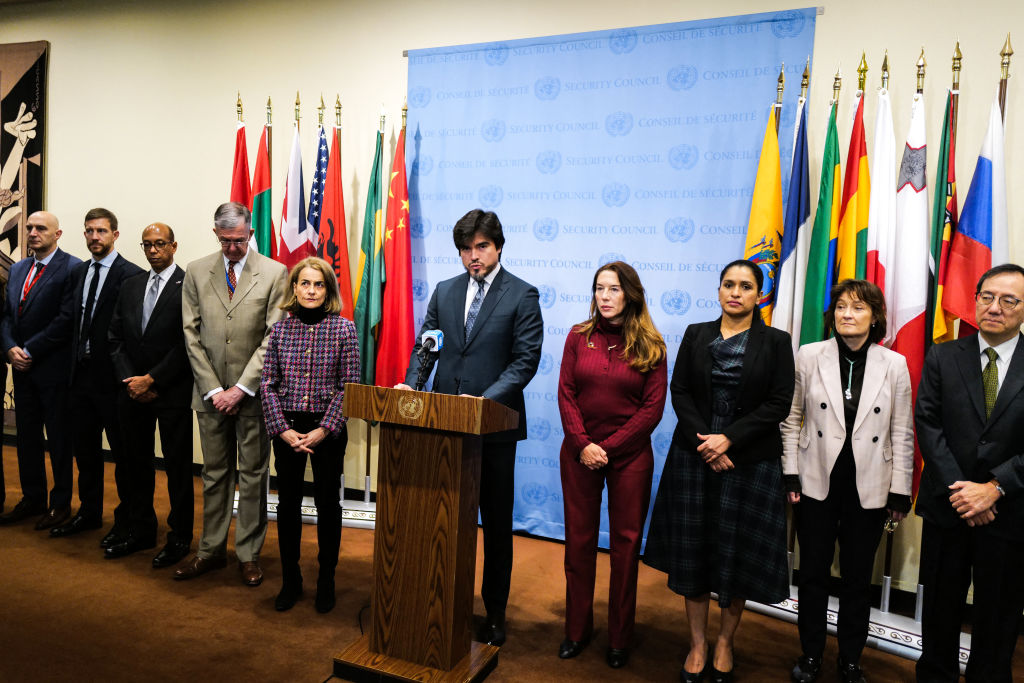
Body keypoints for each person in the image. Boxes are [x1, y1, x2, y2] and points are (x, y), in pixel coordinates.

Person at [396, 208, 543, 646]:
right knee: (443, 520)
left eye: (481, 247)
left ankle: (494, 613)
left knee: (496, 526)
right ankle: (443, 602)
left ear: (498, 246)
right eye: (465, 248)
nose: (473, 256)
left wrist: (483, 402)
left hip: (493, 428)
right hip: (444, 424)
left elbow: (524, 363)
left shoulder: (522, 295)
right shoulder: (444, 291)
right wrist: (411, 385)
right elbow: (427, 347)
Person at [644, 259, 795, 683]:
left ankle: (725, 641)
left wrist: (728, 440)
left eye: (745, 286)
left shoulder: (777, 342)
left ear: (758, 294)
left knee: (737, 555)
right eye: (728, 284)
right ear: (718, 290)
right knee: (695, 553)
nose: (735, 292)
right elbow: (681, 391)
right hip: (696, 456)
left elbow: (778, 403)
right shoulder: (697, 334)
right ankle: (697, 643)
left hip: (749, 461)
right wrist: (707, 443)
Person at [781, 279, 913, 683]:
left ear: (875, 317)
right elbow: (790, 419)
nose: (846, 315)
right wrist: (790, 471)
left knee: (858, 578)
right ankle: (811, 656)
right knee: (814, 573)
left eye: (857, 308)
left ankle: (851, 659)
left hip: (870, 485)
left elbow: (902, 432)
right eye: (840, 307)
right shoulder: (809, 355)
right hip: (816, 479)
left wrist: (901, 489)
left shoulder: (894, 364)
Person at [915, 263, 1024, 683]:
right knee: (940, 611)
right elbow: (928, 423)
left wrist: (994, 488)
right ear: (975, 299)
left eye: (1008, 300)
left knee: (999, 617)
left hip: (1010, 513)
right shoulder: (944, 355)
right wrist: (964, 492)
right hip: (950, 508)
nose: (994, 307)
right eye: (986, 297)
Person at [556, 261, 667, 669]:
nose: (604, 296)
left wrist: (609, 448)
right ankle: (576, 630)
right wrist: (584, 444)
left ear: (630, 295)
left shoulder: (651, 345)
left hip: (630, 457)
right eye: (599, 289)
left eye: (614, 290)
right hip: (579, 453)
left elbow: (652, 410)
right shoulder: (576, 337)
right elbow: (566, 393)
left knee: (625, 548)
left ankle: (620, 637)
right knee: (579, 544)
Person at [176, 201, 288, 586]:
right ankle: (209, 550)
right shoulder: (196, 271)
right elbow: (190, 334)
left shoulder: (275, 273)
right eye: (225, 241)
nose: (233, 249)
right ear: (215, 234)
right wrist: (213, 389)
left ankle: (248, 554)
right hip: (209, 397)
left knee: (254, 475)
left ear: (251, 233)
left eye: (239, 241)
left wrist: (240, 388)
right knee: (214, 473)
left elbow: (273, 337)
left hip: (253, 396)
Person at [261, 257, 359, 613]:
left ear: (328, 289)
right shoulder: (280, 330)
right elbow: (267, 384)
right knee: (287, 505)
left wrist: (323, 429)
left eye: (319, 284)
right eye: (305, 283)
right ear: (295, 287)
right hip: (286, 428)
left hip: (327, 430)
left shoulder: (344, 329)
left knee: (328, 505)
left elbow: (349, 387)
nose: (311, 290)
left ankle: (326, 581)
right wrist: (283, 430)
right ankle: (291, 580)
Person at [51, 208, 144, 543]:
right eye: (89, 231)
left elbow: (132, 334)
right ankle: (88, 513)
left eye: (101, 231)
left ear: (115, 235)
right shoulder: (79, 273)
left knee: (123, 457)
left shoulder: (132, 275)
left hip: (114, 382)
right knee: (86, 453)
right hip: (80, 379)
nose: (94, 237)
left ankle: (125, 520)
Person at [107, 223, 194, 565]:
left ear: (174, 246)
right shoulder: (131, 286)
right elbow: (114, 338)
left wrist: (152, 379)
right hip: (132, 392)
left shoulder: (189, 285)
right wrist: (132, 379)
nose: (153, 250)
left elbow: (187, 341)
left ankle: (179, 537)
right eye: (147, 245)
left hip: (170, 391)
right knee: (135, 465)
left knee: (177, 468)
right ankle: (141, 530)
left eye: (160, 244)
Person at [0, 211, 80, 528]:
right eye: (30, 228)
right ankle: (32, 498)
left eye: (41, 228)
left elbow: (66, 319)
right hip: (21, 370)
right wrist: (9, 348)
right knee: (27, 438)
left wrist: (30, 349)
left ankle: (59, 505)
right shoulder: (19, 268)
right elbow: (6, 315)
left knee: (59, 440)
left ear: (57, 234)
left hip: (53, 369)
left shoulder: (71, 268)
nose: (33, 233)